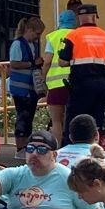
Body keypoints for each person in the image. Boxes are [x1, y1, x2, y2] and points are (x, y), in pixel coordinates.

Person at [0, 131, 83, 209]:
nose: (34, 153)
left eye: (42, 150)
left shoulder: (68, 178)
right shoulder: (16, 173)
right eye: (30, 149)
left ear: (54, 155)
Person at [62, 2, 105, 138]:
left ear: (79, 18)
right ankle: (93, 149)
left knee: (75, 120)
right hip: (101, 84)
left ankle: (72, 149)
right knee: (96, 121)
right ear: (95, 17)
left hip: (80, 85)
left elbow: (62, 61)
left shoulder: (73, 36)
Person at [7, 15, 44, 153]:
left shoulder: (32, 45)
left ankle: (25, 145)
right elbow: (14, 63)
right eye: (37, 33)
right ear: (29, 29)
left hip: (29, 88)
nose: (38, 37)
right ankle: (20, 147)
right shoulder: (18, 44)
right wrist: (33, 63)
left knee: (28, 118)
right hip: (21, 88)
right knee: (22, 117)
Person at [40, 9, 75, 139]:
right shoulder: (77, 35)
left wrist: (44, 77)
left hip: (55, 84)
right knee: (72, 118)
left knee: (56, 121)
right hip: (74, 82)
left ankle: (57, 149)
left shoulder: (53, 36)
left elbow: (48, 61)